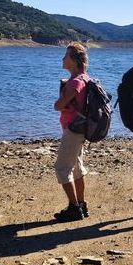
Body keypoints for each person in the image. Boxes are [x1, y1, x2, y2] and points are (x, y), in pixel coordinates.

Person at [53, 43, 91, 221]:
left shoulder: (75, 81)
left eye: (65, 55)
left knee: (62, 168)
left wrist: (60, 100)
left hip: (73, 130)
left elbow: (59, 106)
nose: (62, 59)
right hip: (81, 128)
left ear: (74, 61)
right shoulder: (85, 78)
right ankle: (82, 205)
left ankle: (74, 208)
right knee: (76, 168)